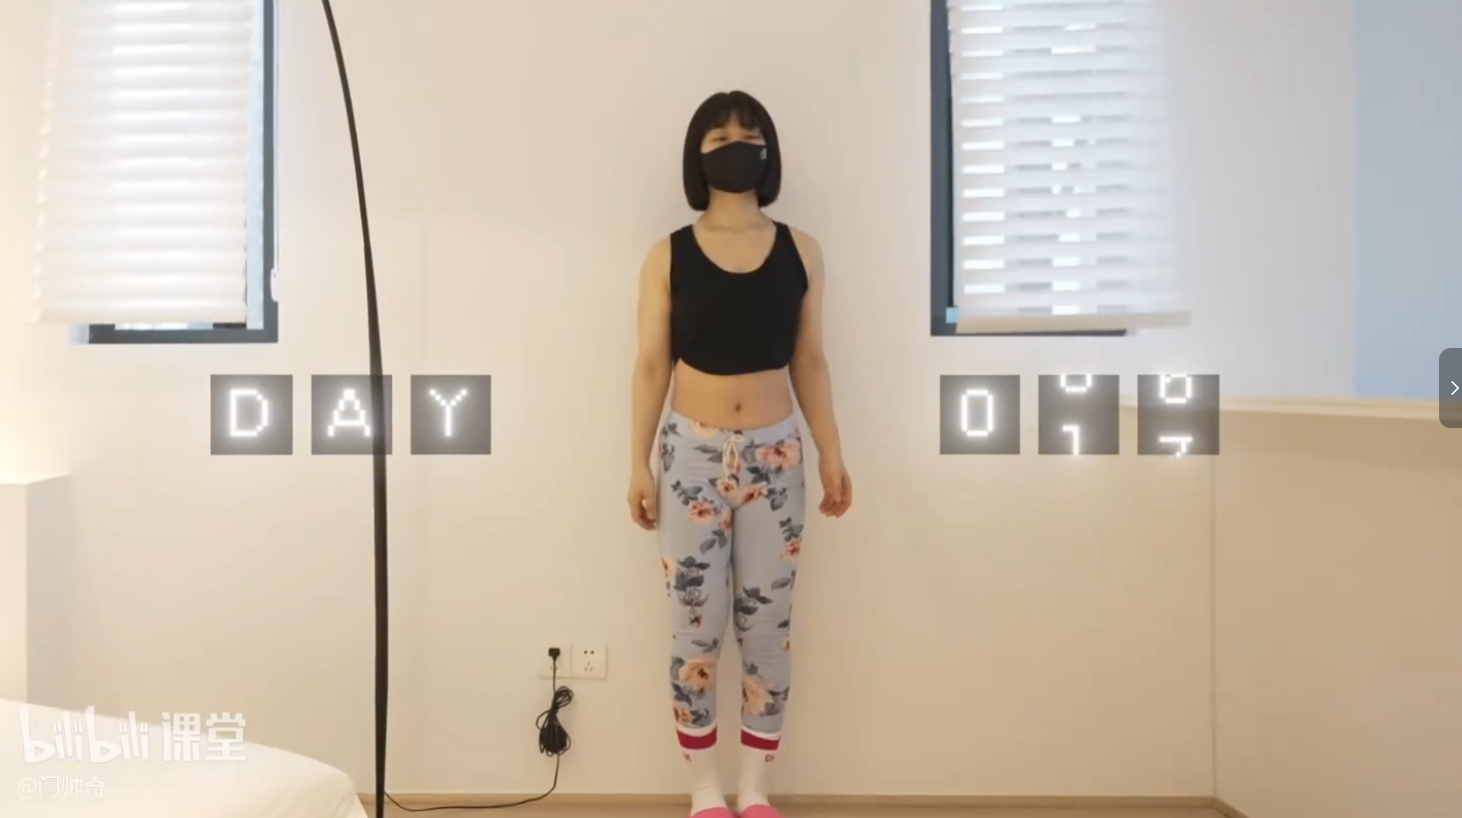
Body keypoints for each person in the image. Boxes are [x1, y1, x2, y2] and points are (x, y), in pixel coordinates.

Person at [627, 90, 852, 818]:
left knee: (767, 629)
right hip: (689, 459)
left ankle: (755, 790)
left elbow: (810, 360)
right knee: (694, 629)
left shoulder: (802, 251)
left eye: (749, 135)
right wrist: (637, 461)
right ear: (697, 156)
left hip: (776, 458)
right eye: (719, 137)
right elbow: (651, 364)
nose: (736, 147)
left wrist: (831, 452)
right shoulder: (667, 255)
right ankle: (705, 790)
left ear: (768, 151)